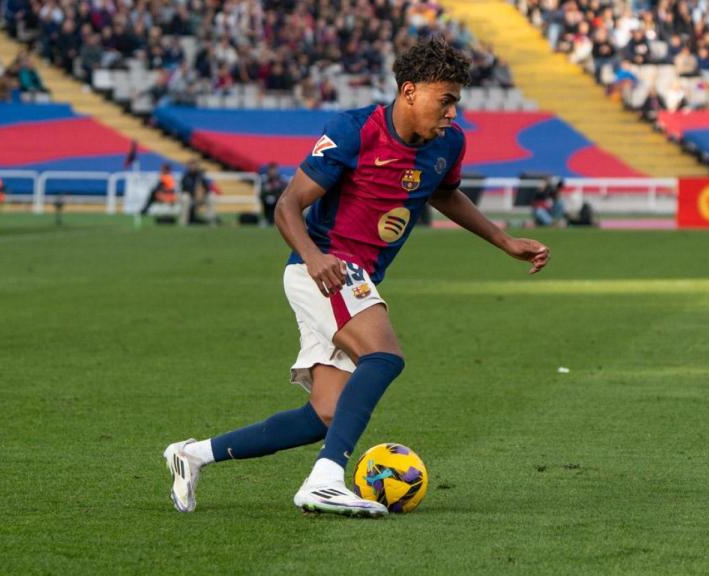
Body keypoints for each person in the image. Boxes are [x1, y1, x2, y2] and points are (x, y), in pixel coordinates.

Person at [162, 37, 551, 518]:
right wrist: (311, 256)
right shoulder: (354, 131)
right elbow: (288, 205)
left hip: (354, 275)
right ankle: (324, 479)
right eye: (445, 100)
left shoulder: (447, 144)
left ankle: (192, 454)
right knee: (384, 356)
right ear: (409, 91)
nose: (453, 113)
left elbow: (445, 195)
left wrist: (503, 240)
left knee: (326, 414)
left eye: (456, 102)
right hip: (326, 268)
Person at [259, 162, 287, 226]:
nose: (272, 172)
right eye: (271, 170)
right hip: (266, 201)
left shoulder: (280, 180)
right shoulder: (265, 180)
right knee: (267, 202)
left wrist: (275, 197)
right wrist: (267, 197)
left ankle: (278, 220)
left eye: (274, 170)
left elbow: (283, 192)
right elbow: (262, 193)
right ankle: (266, 219)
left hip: (278, 200)